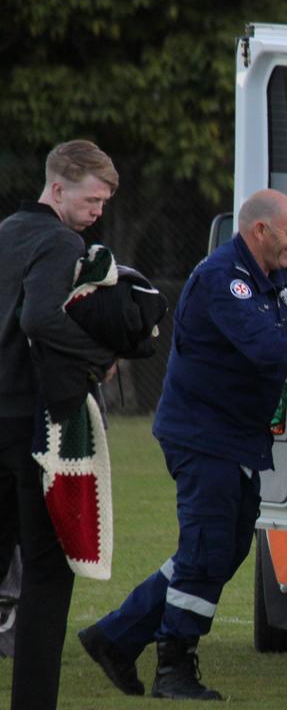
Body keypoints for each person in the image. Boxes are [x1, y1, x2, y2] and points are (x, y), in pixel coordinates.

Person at [79, 189, 287, 701]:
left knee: (227, 546)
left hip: (237, 437)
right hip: (201, 435)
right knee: (206, 549)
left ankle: (115, 635)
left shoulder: (283, 278)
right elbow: (270, 350)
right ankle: (174, 666)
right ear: (259, 231)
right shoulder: (222, 280)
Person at [0, 139, 119, 710]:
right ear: (58, 188)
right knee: (47, 571)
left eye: (103, 203)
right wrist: (99, 351)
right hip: (28, 422)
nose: (98, 212)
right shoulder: (59, 239)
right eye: (92, 199)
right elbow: (40, 316)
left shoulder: (5, 232)